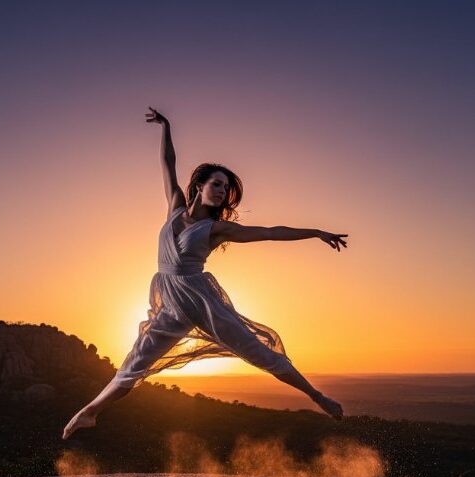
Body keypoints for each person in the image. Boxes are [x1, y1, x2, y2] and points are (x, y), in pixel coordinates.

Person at [62, 107, 348, 440]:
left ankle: (318, 397)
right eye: (216, 184)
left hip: (200, 300)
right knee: (134, 364)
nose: (222, 191)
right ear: (199, 185)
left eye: (226, 188)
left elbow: (270, 231)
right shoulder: (175, 206)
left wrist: (316, 232)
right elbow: (167, 164)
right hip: (170, 302)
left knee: (258, 352)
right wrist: (165, 127)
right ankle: (88, 413)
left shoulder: (217, 229)